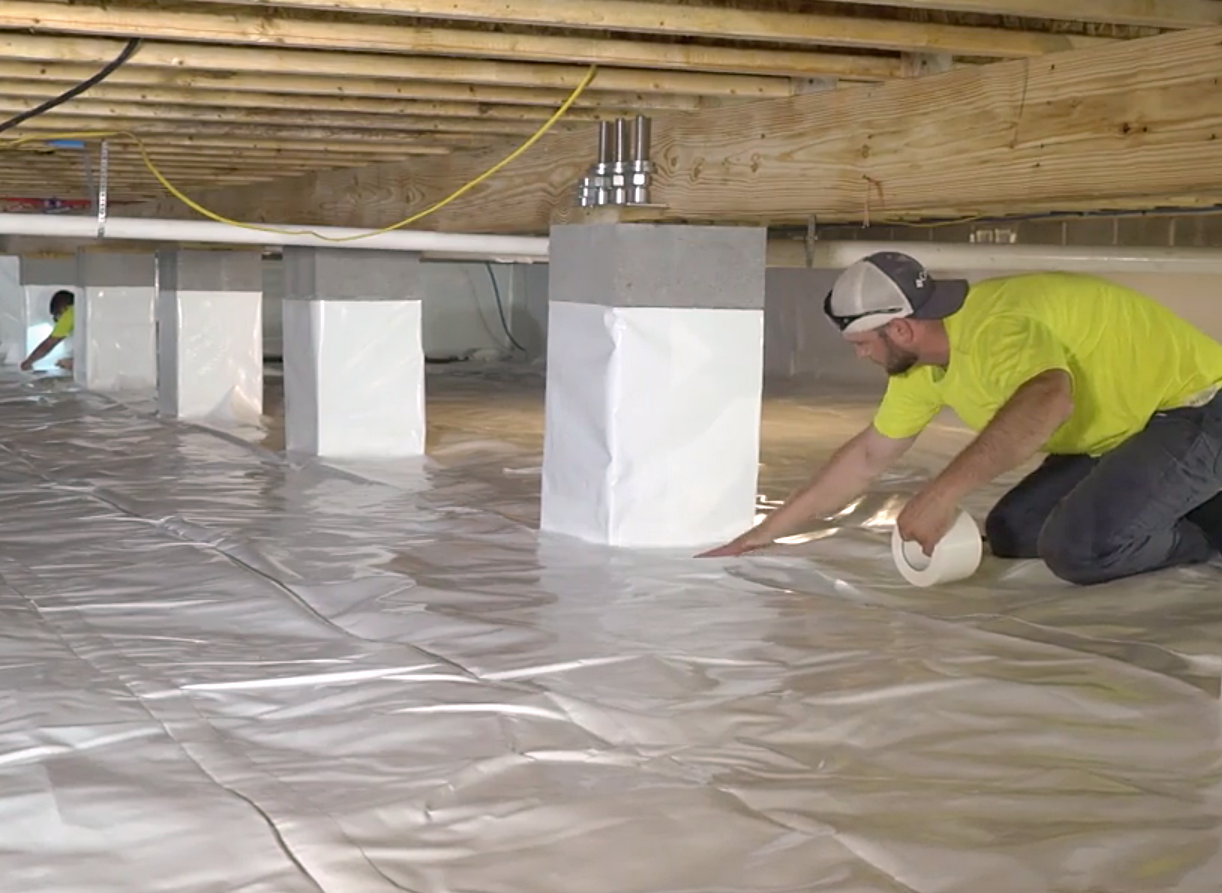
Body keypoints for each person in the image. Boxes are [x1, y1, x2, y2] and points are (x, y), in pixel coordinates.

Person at [703, 251, 1222, 586]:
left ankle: (1208, 525)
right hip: (1123, 432)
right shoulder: (922, 367)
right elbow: (866, 457)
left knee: (1079, 549)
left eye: (862, 344)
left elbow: (1047, 399)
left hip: (1197, 409)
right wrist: (761, 535)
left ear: (901, 330)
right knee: (1014, 531)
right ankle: (1161, 497)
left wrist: (940, 493)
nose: (859, 356)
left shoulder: (997, 326)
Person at [20, 289, 75, 372]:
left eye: (56, 314)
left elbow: (49, 343)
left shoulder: (69, 313)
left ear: (62, 308)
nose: (57, 320)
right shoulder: (81, 311)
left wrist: (28, 362)